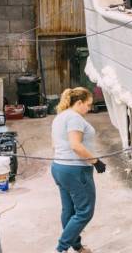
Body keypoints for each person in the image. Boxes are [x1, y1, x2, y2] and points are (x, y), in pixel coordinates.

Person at [51, 87, 106, 253]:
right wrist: (96, 161)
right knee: (84, 212)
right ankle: (61, 249)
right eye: (88, 105)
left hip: (59, 167)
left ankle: (76, 246)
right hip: (75, 170)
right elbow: (75, 145)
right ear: (79, 102)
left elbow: (55, 145)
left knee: (69, 210)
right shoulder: (75, 118)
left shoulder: (60, 117)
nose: (89, 109)